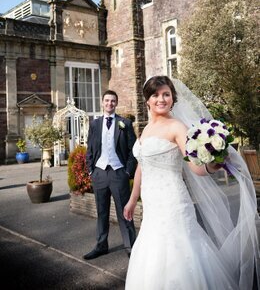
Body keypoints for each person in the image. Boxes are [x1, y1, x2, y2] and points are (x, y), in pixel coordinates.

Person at [124, 76, 260, 289]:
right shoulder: (146, 129)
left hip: (173, 203)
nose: (161, 99)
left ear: (173, 98)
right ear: (147, 101)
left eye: (166, 94)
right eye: (155, 95)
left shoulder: (177, 127)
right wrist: (133, 199)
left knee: (179, 251)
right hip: (152, 206)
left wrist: (212, 165)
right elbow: (142, 165)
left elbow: (194, 166)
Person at [83, 90, 137, 260]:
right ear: (102, 102)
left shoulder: (125, 123)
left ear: (116, 103)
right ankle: (101, 246)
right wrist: (92, 170)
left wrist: (127, 171)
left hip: (118, 173)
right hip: (99, 174)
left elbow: (133, 151)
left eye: (113, 101)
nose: (109, 104)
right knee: (102, 212)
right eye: (107, 100)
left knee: (125, 212)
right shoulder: (95, 124)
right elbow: (90, 149)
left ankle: (131, 247)